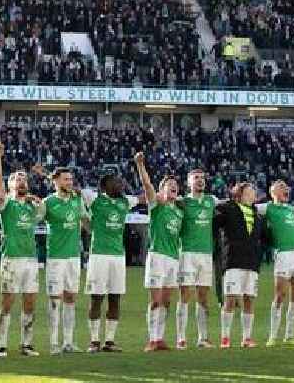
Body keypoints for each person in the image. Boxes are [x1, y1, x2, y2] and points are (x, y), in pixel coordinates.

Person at [82, 173, 141, 353]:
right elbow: (75, 190)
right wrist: (47, 176)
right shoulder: (95, 199)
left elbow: (144, 197)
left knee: (115, 298)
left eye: (120, 180)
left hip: (118, 257)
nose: (121, 183)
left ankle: (109, 341)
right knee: (97, 298)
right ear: (105, 186)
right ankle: (94, 341)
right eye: (116, 182)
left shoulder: (126, 202)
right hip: (99, 255)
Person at [0, 141, 41, 357]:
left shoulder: (33, 205)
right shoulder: (6, 204)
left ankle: (26, 344)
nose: (21, 182)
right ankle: (2, 344)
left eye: (24, 179)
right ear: (10, 185)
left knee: (30, 302)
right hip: (11, 258)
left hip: (31, 259)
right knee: (7, 302)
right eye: (16, 180)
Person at [35, 167, 89, 355]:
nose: (70, 182)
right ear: (56, 181)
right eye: (66, 179)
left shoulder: (77, 199)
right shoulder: (48, 202)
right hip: (56, 257)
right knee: (54, 299)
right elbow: (35, 220)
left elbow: (86, 221)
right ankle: (53, 343)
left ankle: (68, 342)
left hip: (74, 256)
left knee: (71, 298)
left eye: (71, 179)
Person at [135, 152, 183, 352]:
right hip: (157, 256)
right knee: (155, 300)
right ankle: (152, 339)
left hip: (173, 258)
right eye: (169, 184)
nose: (173, 186)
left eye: (175, 185)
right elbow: (147, 186)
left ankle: (160, 338)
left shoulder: (179, 211)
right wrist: (140, 165)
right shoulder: (156, 205)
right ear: (162, 190)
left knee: (167, 301)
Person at [213, 182, 266, 349]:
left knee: (249, 299)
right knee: (230, 299)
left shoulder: (257, 214)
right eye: (250, 191)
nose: (254, 194)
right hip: (233, 261)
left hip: (251, 263)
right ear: (240, 194)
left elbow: (264, 237)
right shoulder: (228, 209)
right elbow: (214, 224)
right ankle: (225, 337)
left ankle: (247, 337)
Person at [256, 180, 294, 347]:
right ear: (273, 193)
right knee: (280, 295)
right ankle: (273, 336)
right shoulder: (268, 207)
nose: (286, 189)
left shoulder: (292, 209)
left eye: (286, 187)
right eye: (282, 188)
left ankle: (289, 335)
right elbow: (249, 208)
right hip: (283, 254)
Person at [176, 169, 218, 350]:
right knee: (185, 295)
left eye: (203, 178)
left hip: (206, 254)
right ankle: (181, 338)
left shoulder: (211, 200)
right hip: (187, 253)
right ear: (188, 183)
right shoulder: (182, 202)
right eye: (196, 178)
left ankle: (203, 338)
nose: (200, 181)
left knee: (203, 297)